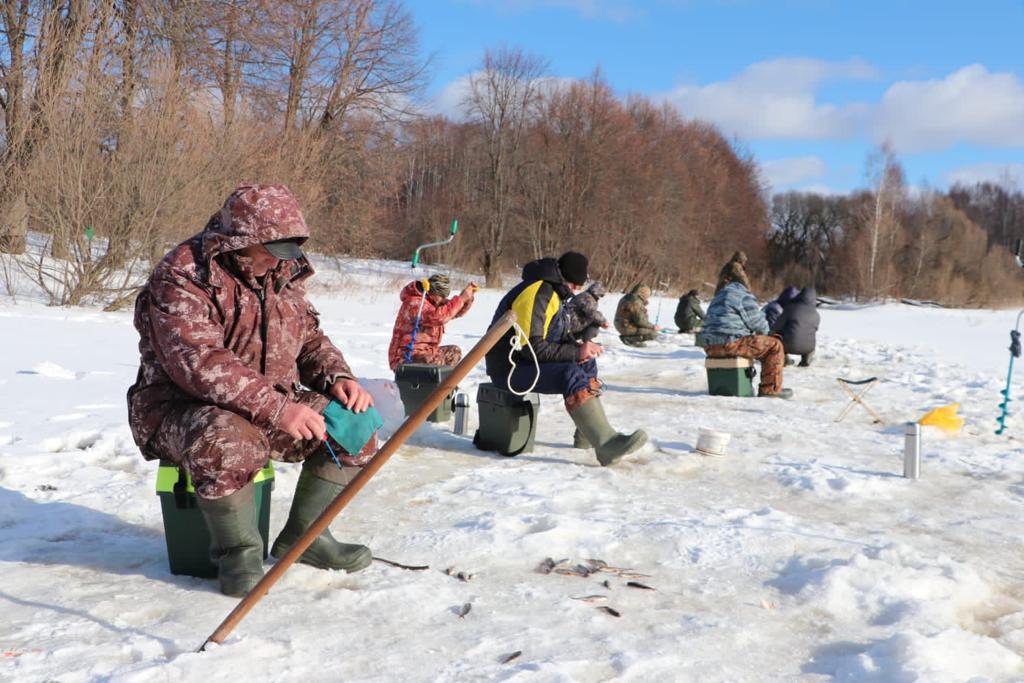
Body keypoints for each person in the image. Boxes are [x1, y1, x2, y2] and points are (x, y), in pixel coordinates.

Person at [127, 183, 380, 596]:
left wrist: (339, 377)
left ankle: (307, 538)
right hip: (185, 408)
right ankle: (239, 554)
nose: (274, 261)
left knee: (356, 423)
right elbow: (199, 363)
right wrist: (280, 410)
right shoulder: (182, 275)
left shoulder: (282, 271)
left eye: (284, 251)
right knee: (229, 440)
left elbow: (310, 337)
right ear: (238, 240)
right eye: (267, 250)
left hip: (272, 401)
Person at [484, 251, 647, 466]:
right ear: (565, 278)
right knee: (569, 373)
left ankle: (588, 434)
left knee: (585, 362)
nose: (576, 291)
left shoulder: (553, 294)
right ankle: (606, 443)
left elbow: (555, 338)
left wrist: (581, 348)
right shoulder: (537, 293)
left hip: (526, 362)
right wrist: (575, 352)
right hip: (509, 369)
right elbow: (532, 348)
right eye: (575, 285)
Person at [702, 274, 792, 399]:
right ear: (744, 285)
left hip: (709, 346)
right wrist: (769, 334)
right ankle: (770, 390)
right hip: (730, 343)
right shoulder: (743, 296)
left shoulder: (718, 297)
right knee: (775, 346)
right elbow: (758, 323)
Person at [387, 273, 477, 371]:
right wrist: (461, 299)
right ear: (432, 291)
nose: (443, 299)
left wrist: (467, 298)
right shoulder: (414, 303)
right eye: (441, 295)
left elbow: (455, 312)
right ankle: (431, 384)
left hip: (427, 352)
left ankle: (443, 384)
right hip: (405, 357)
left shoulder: (434, 302)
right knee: (433, 361)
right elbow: (438, 317)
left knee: (454, 352)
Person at [771, 286, 820, 367]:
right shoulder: (816, 314)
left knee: (777, 337)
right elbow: (815, 329)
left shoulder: (790, 308)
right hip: (808, 347)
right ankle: (805, 360)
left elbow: (777, 326)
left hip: (788, 346)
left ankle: (784, 359)